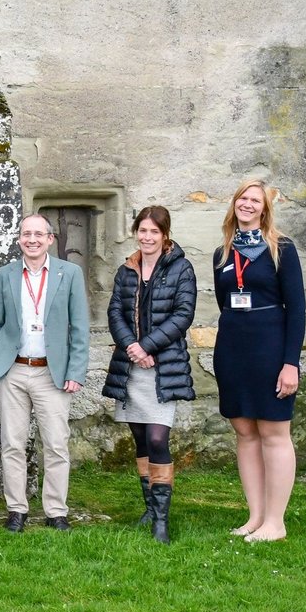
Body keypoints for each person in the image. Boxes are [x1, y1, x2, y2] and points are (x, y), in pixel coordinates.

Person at [213, 181, 305, 543]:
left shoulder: (282, 249)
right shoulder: (222, 254)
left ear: (265, 209)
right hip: (232, 351)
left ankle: (275, 522)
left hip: (270, 349)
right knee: (245, 432)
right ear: (234, 203)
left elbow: (296, 310)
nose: (248, 204)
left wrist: (290, 363)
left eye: (255, 200)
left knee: (273, 432)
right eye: (243, 198)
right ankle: (256, 517)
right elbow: (224, 303)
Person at [0, 214, 90, 534]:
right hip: (14, 370)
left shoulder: (69, 273)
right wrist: (0, 360)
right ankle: (16, 510)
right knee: (12, 444)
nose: (31, 239)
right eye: (26, 234)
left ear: (49, 239)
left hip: (51, 373)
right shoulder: (5, 275)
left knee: (56, 444)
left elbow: (79, 326)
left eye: (38, 234)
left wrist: (75, 371)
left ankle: (56, 511)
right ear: (19, 239)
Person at [102, 207, 196, 544]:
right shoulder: (127, 269)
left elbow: (183, 314)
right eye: (142, 230)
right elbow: (115, 311)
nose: (147, 237)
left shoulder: (181, 268)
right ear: (136, 232)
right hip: (131, 366)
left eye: (154, 231)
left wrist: (147, 346)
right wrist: (132, 347)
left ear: (165, 234)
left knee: (157, 439)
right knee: (140, 439)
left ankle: (161, 522)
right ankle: (150, 509)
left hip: (162, 366)